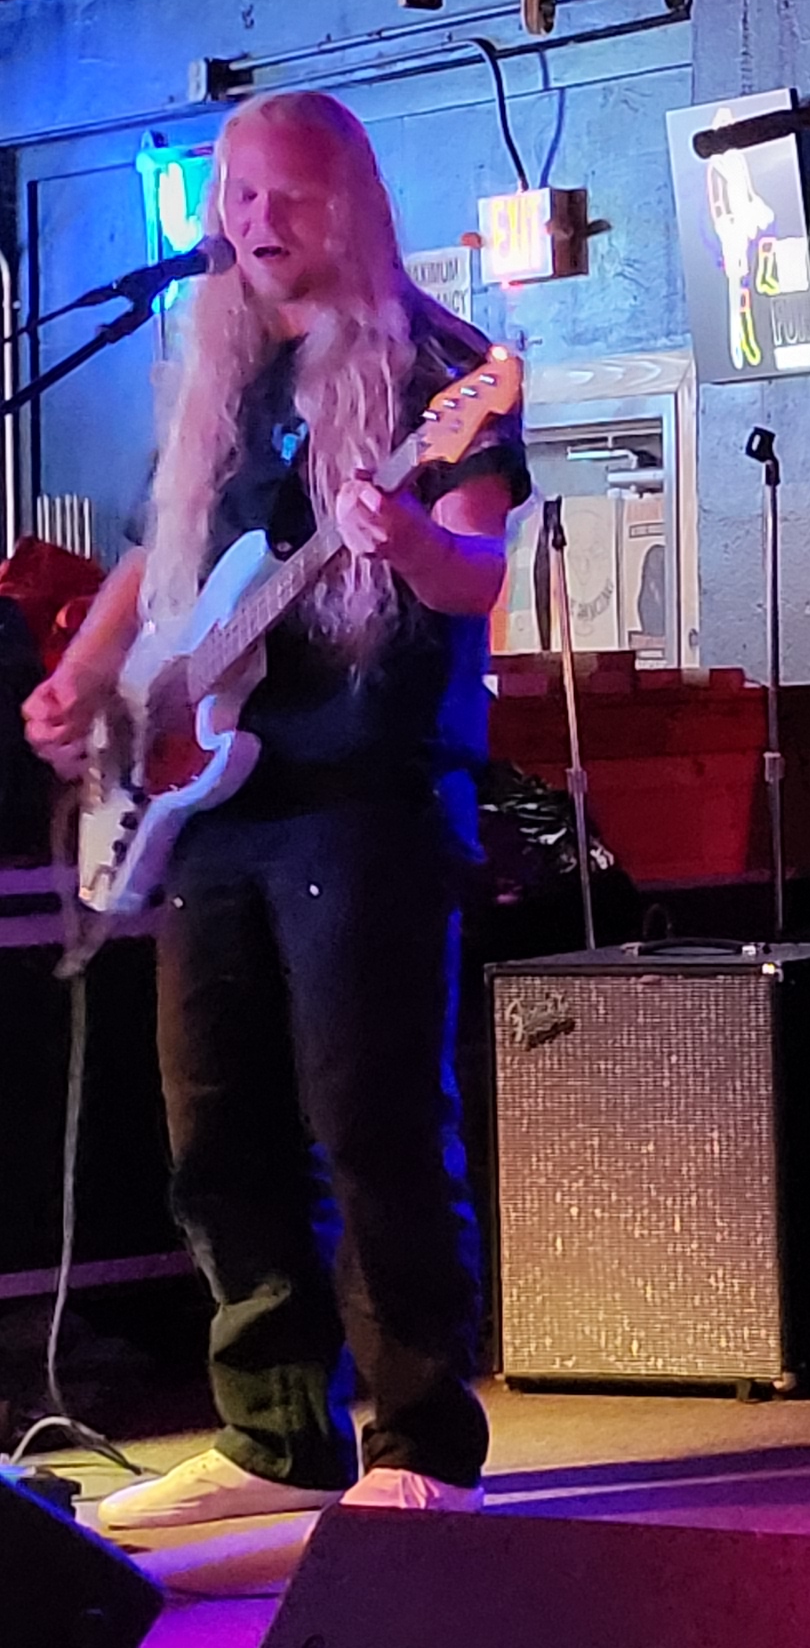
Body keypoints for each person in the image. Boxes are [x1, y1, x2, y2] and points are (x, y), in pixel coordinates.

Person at [25, 92, 530, 1528]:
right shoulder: (224, 371)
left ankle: (422, 1443)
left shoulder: (445, 372)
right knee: (216, 1132)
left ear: (351, 201)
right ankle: (271, 1434)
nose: (255, 221)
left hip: (364, 799)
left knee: (371, 1122)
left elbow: (475, 572)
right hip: (216, 806)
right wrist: (84, 678)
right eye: (238, 197)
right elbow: (156, 558)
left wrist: (408, 535)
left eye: (286, 194)